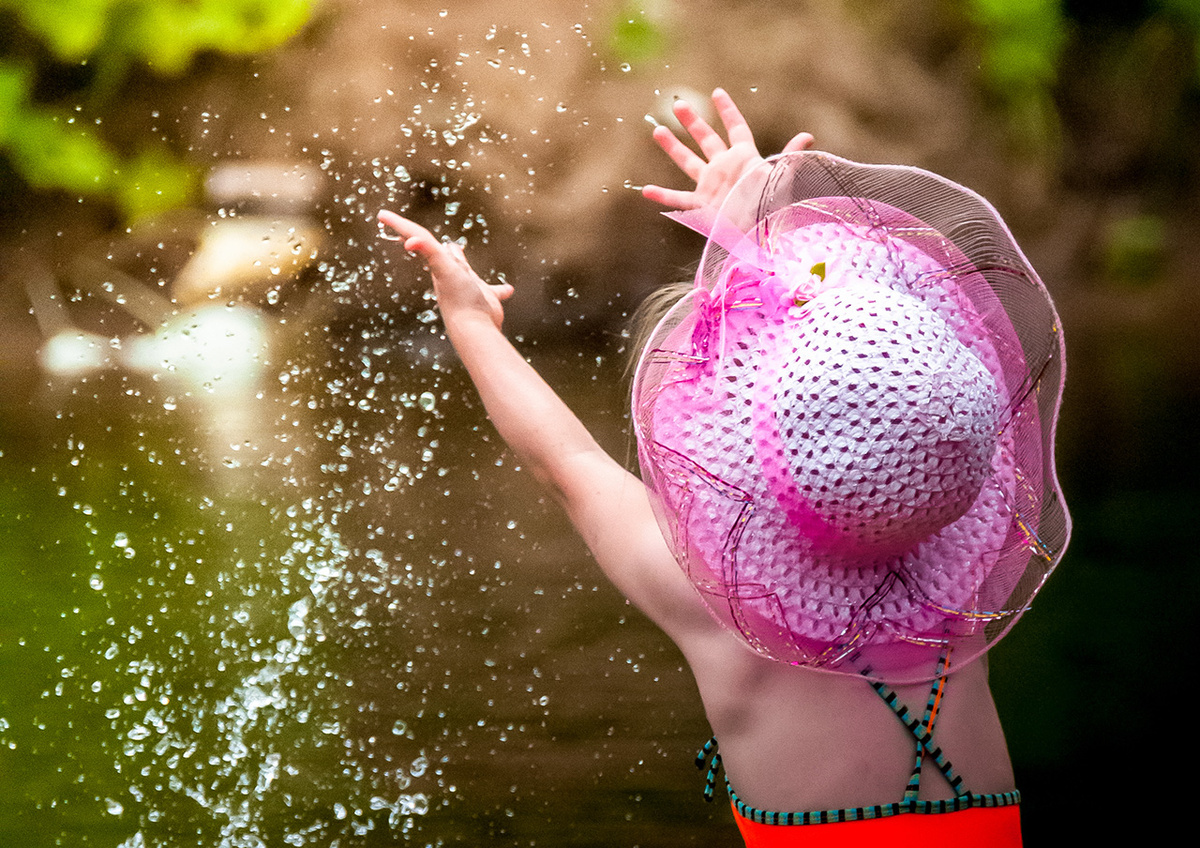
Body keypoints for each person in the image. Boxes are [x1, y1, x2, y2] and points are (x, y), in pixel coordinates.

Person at [378, 88, 1068, 846]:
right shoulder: (964, 606)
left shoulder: (711, 608)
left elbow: (567, 462)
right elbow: (878, 396)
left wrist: (471, 322)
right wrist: (754, 230)